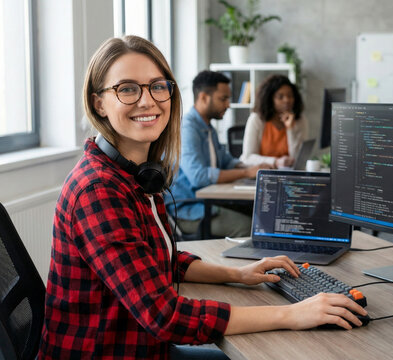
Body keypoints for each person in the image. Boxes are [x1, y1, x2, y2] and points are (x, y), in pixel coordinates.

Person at [39, 35, 368, 360]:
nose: (147, 100)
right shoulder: (99, 190)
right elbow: (165, 316)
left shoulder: (135, 174)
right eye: (127, 88)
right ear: (99, 103)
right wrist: (293, 314)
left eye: (157, 85)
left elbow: (156, 260)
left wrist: (237, 274)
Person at [167, 70, 271, 238]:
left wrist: (250, 167)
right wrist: (246, 173)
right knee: (248, 227)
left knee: (262, 213)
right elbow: (198, 176)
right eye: (223, 99)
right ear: (203, 98)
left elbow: (225, 160)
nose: (228, 105)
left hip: (210, 201)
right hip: (191, 209)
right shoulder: (187, 129)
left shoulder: (207, 128)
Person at [240, 75, 308, 167]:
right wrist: (275, 162)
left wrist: (290, 129)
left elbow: (297, 159)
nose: (287, 100)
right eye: (280, 97)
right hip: (261, 174)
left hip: (288, 175)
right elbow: (247, 157)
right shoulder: (256, 120)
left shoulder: (300, 120)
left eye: (290, 96)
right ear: (270, 99)